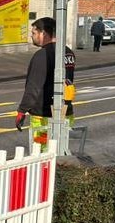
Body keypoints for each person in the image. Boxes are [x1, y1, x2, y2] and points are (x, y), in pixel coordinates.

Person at [15, 17, 76, 147]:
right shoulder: (68, 53)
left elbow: (34, 87)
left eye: (34, 33)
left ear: (43, 33)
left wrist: (22, 110)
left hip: (43, 116)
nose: (31, 36)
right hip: (65, 112)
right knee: (61, 148)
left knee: (41, 150)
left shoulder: (42, 55)